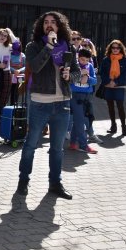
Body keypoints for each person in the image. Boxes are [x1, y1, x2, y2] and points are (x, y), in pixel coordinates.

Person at [16, 11, 80, 199]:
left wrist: (70, 76)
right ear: (41, 26)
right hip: (40, 103)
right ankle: (23, 180)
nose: (49, 25)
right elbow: (35, 67)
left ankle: (55, 183)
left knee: (57, 148)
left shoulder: (69, 47)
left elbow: (77, 73)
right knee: (30, 145)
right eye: (46, 22)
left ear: (60, 26)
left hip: (62, 104)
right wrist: (49, 47)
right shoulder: (33, 46)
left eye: (53, 22)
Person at [68, 48, 98, 154]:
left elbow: (95, 81)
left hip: (86, 96)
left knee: (79, 120)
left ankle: (72, 143)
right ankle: (83, 145)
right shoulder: (74, 66)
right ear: (78, 57)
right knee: (80, 121)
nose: (84, 62)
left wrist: (88, 77)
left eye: (86, 60)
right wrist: (80, 74)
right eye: (81, 59)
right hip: (75, 96)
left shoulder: (90, 66)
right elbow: (69, 79)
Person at [100, 39, 126, 136]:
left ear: (121, 49)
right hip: (108, 85)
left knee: (120, 106)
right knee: (110, 107)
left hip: (119, 86)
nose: (115, 49)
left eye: (117, 48)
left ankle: (124, 128)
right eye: (113, 47)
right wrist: (109, 82)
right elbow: (102, 72)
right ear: (110, 48)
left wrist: (116, 82)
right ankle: (113, 126)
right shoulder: (106, 60)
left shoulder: (125, 60)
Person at [9, 40, 26, 105]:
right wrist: (14, 70)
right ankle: (11, 106)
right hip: (10, 76)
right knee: (11, 92)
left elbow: (25, 66)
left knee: (17, 92)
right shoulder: (9, 54)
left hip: (20, 76)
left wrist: (19, 71)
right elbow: (7, 65)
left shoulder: (23, 55)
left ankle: (15, 106)